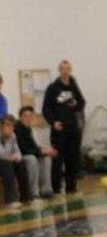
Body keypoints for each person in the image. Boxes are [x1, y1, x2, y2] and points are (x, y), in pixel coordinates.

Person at [42, 60, 85, 195]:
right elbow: (46, 108)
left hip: (72, 128)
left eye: (68, 69)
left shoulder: (73, 85)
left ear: (70, 70)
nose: (65, 71)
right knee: (58, 159)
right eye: (63, 69)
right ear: (59, 71)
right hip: (59, 129)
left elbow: (81, 103)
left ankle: (71, 187)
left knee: (72, 158)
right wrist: (53, 122)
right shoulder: (53, 87)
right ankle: (56, 189)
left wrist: (75, 104)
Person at [15, 106, 56, 202]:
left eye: (30, 116)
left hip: (27, 154)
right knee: (31, 159)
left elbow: (33, 146)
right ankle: (33, 193)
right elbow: (23, 149)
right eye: (25, 116)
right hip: (18, 157)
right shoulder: (17, 129)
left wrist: (44, 150)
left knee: (46, 157)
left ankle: (45, 190)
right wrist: (40, 151)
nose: (28, 119)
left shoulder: (28, 129)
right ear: (20, 117)